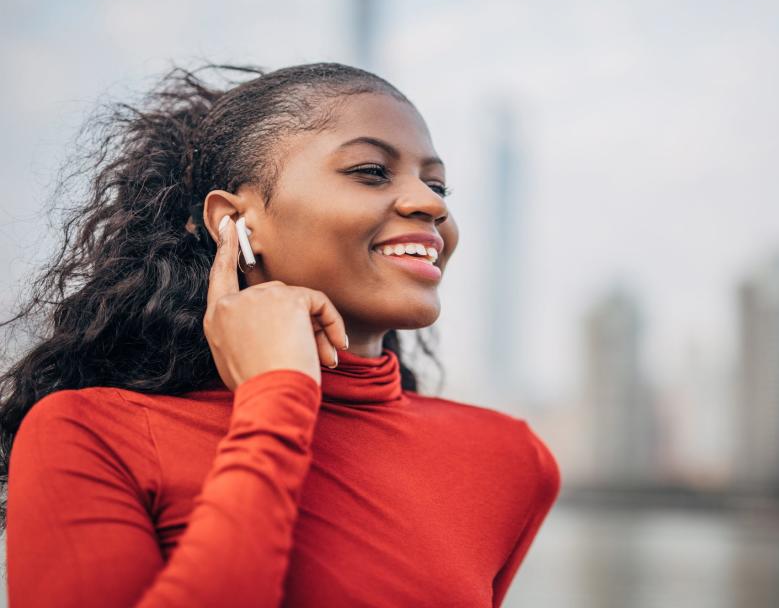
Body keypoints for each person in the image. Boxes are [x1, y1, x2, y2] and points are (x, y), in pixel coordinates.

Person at [1, 63, 561, 607]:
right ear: (235, 223)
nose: (432, 204)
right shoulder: (88, 433)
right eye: (370, 171)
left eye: (437, 184)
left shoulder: (509, 459)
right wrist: (277, 399)